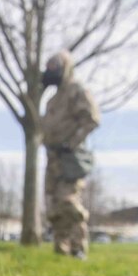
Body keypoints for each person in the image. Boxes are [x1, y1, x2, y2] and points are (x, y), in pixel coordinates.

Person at [41, 51, 101, 259]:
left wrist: (71, 142)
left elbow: (91, 119)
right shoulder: (52, 100)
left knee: (68, 201)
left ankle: (78, 248)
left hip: (70, 157)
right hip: (53, 158)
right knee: (53, 204)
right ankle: (61, 248)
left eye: (53, 68)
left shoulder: (77, 90)